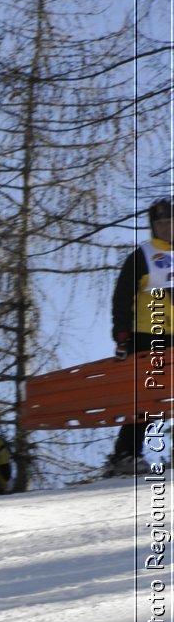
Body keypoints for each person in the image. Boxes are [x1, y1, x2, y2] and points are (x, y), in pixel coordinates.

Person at [108, 196, 173, 473]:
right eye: (160, 223)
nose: (166, 227)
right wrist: (122, 337)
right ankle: (125, 453)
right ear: (153, 226)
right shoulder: (143, 256)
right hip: (148, 335)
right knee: (148, 398)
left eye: (170, 221)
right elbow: (122, 297)